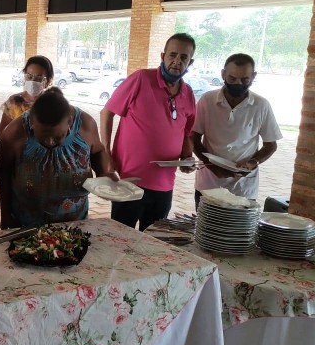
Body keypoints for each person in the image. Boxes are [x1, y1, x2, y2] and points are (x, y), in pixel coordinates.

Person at [100, 33, 197, 231]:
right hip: (130, 180)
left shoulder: (188, 94)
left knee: (154, 241)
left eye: (183, 58)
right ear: (163, 56)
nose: (177, 61)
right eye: (172, 55)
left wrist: (187, 157)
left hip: (164, 183)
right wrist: (106, 154)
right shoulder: (141, 79)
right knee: (120, 238)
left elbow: (186, 132)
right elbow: (106, 113)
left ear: (190, 62)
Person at [0, 89, 114, 229]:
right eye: (43, 136)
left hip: (75, 220)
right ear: (32, 122)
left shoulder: (86, 124)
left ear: (69, 122)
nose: (50, 142)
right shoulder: (14, 133)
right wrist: (5, 215)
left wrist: (104, 174)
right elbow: (3, 174)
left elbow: (97, 151)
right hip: (27, 223)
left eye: (58, 136)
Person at [192, 53, 282, 207]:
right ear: (223, 74)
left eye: (244, 79)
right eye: (232, 78)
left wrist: (253, 162)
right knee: (206, 229)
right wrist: (209, 164)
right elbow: (193, 138)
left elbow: (270, 145)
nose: (238, 84)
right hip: (208, 184)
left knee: (238, 231)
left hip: (244, 187)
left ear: (253, 76)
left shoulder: (261, 105)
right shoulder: (207, 100)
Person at [0, 55, 54, 140]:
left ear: (48, 81)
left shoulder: (53, 104)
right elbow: (2, 135)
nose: (33, 81)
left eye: (38, 78)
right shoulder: (14, 102)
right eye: (29, 76)